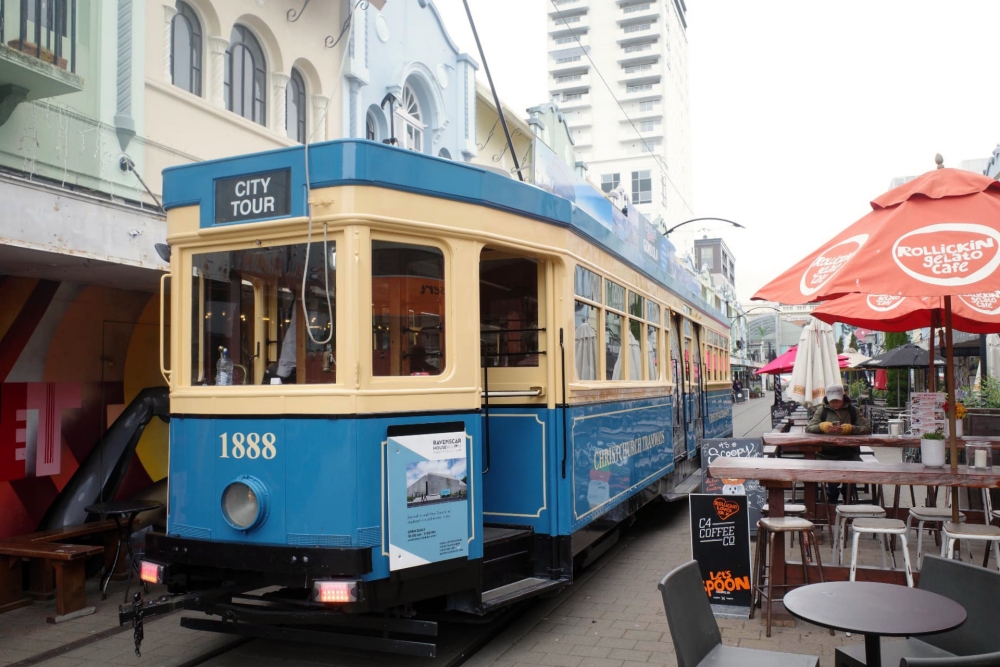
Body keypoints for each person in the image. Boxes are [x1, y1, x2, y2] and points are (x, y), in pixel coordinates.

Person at [806, 383, 871, 504]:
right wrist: (822, 426)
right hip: (825, 455)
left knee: (849, 483)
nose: (835, 403)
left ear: (843, 397)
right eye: (832, 401)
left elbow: (867, 428)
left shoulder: (853, 410)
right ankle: (831, 505)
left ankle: (848, 503)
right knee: (832, 484)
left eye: (837, 400)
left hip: (850, 454)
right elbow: (809, 428)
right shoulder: (821, 411)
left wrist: (851, 429)